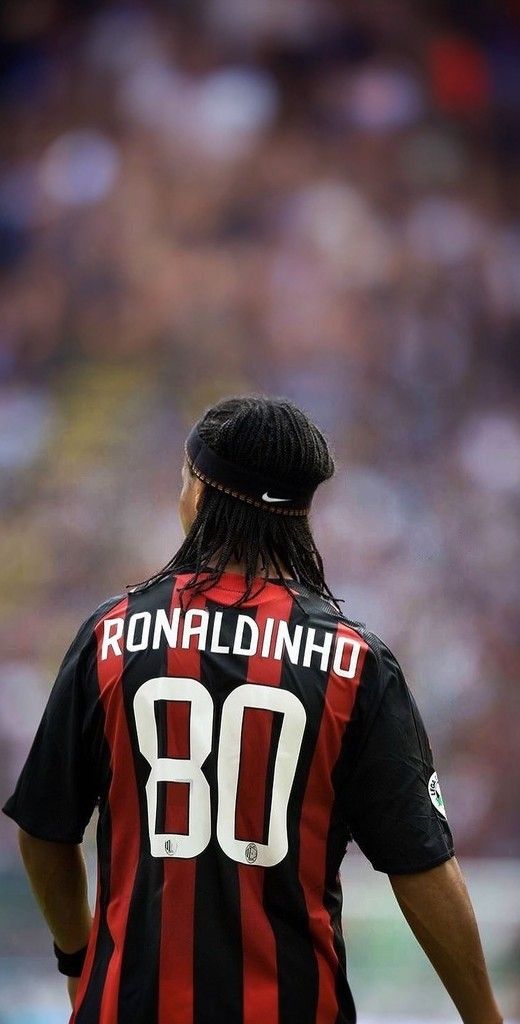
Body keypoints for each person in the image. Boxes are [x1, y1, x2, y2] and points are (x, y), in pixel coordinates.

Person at [3, 396, 503, 1024]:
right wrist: (484, 1016)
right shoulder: (354, 663)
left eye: (184, 479)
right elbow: (422, 867)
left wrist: (80, 959)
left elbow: (44, 831)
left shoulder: (112, 637)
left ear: (203, 495)